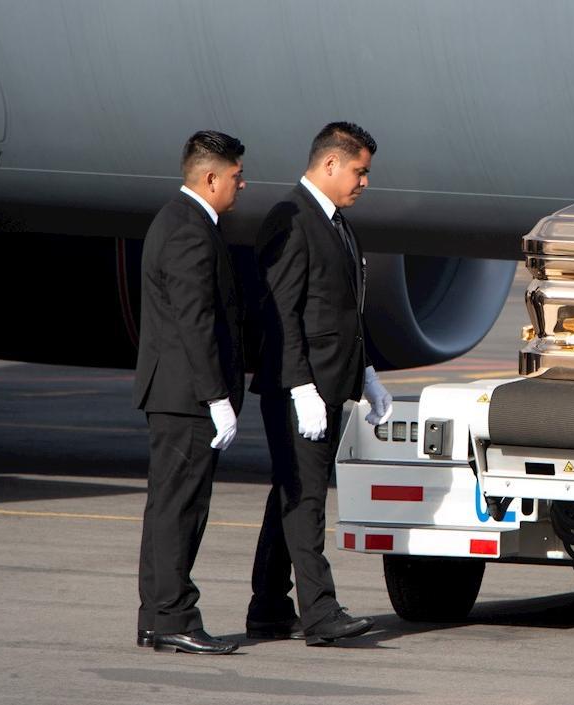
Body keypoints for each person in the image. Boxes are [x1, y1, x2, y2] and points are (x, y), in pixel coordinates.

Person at [248, 122, 394, 646]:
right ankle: (320, 611)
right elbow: (279, 312)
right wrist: (299, 387)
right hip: (300, 389)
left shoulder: (335, 222)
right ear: (330, 164)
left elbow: (343, 310)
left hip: (330, 383)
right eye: (359, 171)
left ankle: (268, 605)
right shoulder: (291, 221)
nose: (364, 182)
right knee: (305, 499)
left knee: (289, 495)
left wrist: (368, 374)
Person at [132, 130, 247, 655]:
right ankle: (174, 616)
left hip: (175, 393)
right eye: (235, 176)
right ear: (210, 177)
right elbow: (195, 322)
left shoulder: (181, 222)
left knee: (167, 508)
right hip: (186, 397)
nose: (240, 185)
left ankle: (157, 617)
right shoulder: (189, 231)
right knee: (181, 510)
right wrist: (216, 396)